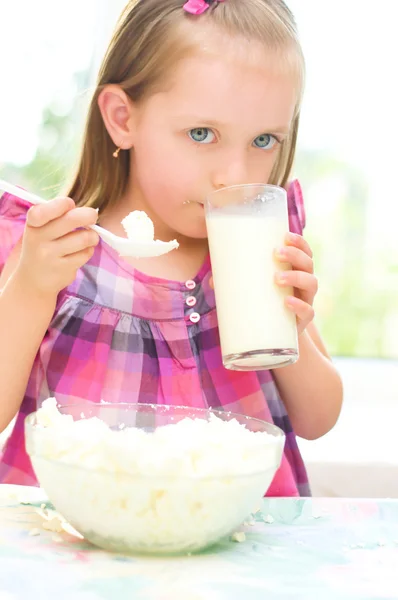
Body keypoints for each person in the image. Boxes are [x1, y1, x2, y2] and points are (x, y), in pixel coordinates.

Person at [0, 0, 342, 493]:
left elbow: (318, 418)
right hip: (84, 547)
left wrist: (295, 327)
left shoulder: (262, 247)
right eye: (203, 134)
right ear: (123, 118)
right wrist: (31, 289)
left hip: (235, 549)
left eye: (263, 140)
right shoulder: (57, 253)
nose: (235, 175)